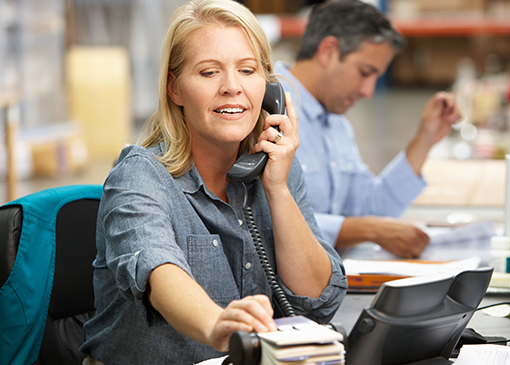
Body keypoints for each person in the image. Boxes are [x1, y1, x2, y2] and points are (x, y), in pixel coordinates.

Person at [81, 1, 347, 364]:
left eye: (248, 70)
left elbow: (320, 299)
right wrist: (216, 324)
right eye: (209, 73)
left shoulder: (276, 166)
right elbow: (160, 273)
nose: (233, 87)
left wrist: (278, 190)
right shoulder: (139, 176)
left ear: (268, 89)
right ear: (175, 89)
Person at [274, 0, 463, 258]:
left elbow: (370, 209)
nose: (368, 91)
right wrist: (367, 229)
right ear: (328, 51)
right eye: (365, 73)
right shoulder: (266, 109)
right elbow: (267, 219)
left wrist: (425, 139)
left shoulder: (337, 125)